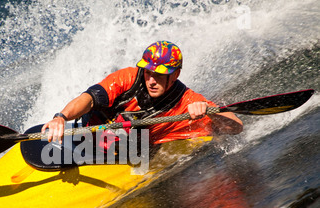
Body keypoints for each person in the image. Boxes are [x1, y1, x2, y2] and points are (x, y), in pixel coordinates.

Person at [41, 41, 243, 148]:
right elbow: (89, 98)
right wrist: (61, 117)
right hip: (88, 134)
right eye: (148, 73)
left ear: (175, 75)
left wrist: (208, 111)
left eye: (159, 75)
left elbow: (235, 127)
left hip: (127, 152)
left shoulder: (186, 100)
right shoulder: (127, 78)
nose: (152, 80)